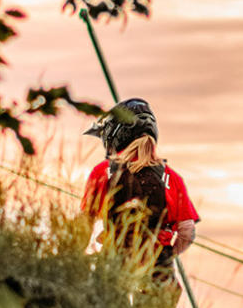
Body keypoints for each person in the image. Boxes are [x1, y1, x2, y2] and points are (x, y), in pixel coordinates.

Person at [80, 98, 199, 269]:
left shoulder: (103, 172)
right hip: (156, 267)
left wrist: (73, 257)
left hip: (114, 264)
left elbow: (85, 222)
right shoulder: (171, 177)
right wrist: (166, 256)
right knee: (161, 291)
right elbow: (187, 231)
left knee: (105, 292)